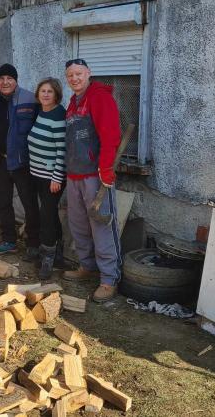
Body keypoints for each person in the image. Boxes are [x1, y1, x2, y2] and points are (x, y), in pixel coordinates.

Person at [60, 58, 123, 302]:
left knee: (101, 225)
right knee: (78, 224)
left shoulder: (99, 97)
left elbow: (111, 135)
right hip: (74, 174)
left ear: (89, 73)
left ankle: (109, 279)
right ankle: (87, 266)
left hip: (95, 176)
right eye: (70, 75)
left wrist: (106, 169)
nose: (74, 78)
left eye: (78, 73)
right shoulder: (74, 102)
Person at [0, 64, 40, 259]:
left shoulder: (30, 100)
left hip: (23, 162)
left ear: (16, 80)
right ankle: (9, 241)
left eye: (9, 78)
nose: (5, 82)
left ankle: (33, 243)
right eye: (1, 79)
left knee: (29, 203)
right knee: (2, 203)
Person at [27, 78, 66, 279]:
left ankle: (48, 258)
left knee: (46, 217)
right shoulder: (41, 111)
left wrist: (57, 178)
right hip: (38, 174)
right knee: (49, 215)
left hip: (52, 177)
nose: (45, 94)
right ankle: (58, 253)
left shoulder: (59, 115)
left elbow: (62, 150)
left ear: (56, 94)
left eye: (50, 91)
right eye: (42, 90)